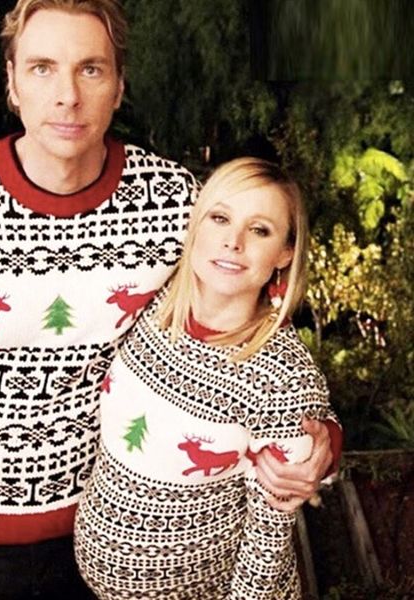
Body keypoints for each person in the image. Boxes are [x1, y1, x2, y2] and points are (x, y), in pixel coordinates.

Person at [0, 2, 339, 599]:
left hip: (124, 542)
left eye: (91, 69)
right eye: (42, 68)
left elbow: (249, 321)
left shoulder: (176, 203)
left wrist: (320, 442)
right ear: (12, 83)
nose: (68, 96)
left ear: (119, 86)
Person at [74, 157, 340, 599]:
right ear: (196, 224)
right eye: (220, 218)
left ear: (285, 253)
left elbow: (267, 548)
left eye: (260, 230)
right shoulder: (154, 309)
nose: (233, 242)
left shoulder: (282, 376)